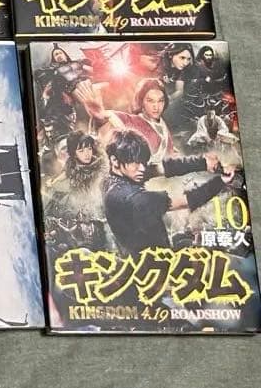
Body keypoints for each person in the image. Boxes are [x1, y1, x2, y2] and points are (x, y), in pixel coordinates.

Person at [102, 129, 232, 255]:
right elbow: (186, 200)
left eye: (143, 162)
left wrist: (203, 163)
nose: (142, 168)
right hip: (151, 262)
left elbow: (163, 168)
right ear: (114, 160)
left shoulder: (118, 176)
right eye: (135, 162)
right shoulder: (129, 197)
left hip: (152, 253)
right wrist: (220, 181)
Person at [75, 77, 173, 162]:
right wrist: (98, 113)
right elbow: (106, 118)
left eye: (160, 101)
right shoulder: (134, 121)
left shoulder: (163, 127)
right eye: (150, 101)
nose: (156, 106)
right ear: (141, 102)